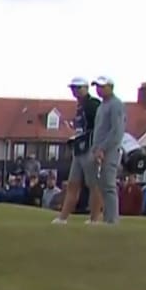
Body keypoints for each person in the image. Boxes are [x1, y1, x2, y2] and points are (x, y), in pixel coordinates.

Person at [53, 77, 102, 224]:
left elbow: (100, 127)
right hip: (79, 149)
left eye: (78, 88)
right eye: (73, 89)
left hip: (90, 148)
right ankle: (63, 218)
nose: (75, 91)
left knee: (93, 185)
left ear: (86, 88)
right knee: (73, 184)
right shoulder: (80, 107)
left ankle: (94, 218)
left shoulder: (92, 105)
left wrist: (98, 148)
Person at [90, 76, 126, 225]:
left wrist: (102, 148)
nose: (98, 89)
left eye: (102, 86)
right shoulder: (102, 106)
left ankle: (112, 220)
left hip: (110, 150)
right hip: (99, 150)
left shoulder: (116, 105)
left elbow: (116, 131)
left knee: (109, 185)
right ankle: (107, 217)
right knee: (102, 185)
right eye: (97, 86)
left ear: (110, 87)